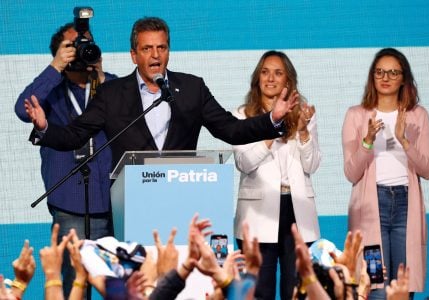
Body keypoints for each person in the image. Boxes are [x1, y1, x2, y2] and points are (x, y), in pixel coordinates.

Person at [23, 17, 298, 169]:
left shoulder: (192, 88)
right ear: (134, 55)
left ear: (168, 50)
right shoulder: (111, 93)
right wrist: (46, 128)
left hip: (183, 200)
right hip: (130, 202)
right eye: (147, 49)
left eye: (162, 47)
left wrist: (272, 119)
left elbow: (231, 130)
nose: (155, 55)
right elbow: (75, 135)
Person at [14, 22, 116, 297]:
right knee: (74, 287)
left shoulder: (112, 84)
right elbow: (23, 109)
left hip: (112, 202)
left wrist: (101, 77)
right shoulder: (52, 91)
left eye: (86, 43)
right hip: (69, 202)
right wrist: (55, 67)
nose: (81, 50)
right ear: (60, 53)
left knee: (115, 286)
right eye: (73, 46)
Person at [342, 48, 429, 299]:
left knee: (401, 287)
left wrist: (405, 141)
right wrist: (368, 141)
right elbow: (351, 173)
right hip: (372, 210)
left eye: (393, 72)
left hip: (405, 206)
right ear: (372, 76)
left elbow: (428, 170)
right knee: (376, 287)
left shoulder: (418, 115)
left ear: (404, 78)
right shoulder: (356, 115)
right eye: (380, 72)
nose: (386, 77)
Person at [232, 50, 321, 300]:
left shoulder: (304, 114)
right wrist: (271, 127)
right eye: (265, 72)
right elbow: (244, 162)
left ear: (288, 81)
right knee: (261, 291)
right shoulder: (242, 115)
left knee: (296, 290)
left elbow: (312, 165)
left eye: (278, 73)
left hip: (297, 211)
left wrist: (303, 132)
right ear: (257, 78)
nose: (270, 78)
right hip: (258, 214)